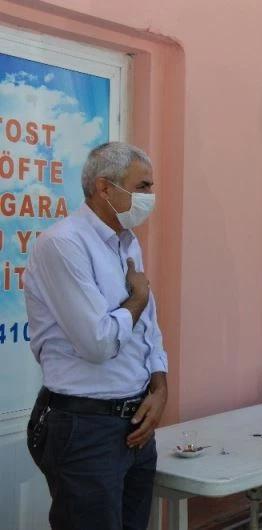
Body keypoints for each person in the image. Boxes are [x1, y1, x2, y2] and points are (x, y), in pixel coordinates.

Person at [24, 142, 168, 530]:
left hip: (135, 424)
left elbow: (148, 328)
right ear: (104, 188)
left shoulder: (127, 241)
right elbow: (98, 343)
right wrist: (137, 298)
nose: (150, 196)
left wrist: (160, 386)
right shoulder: (63, 244)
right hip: (86, 428)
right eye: (142, 186)